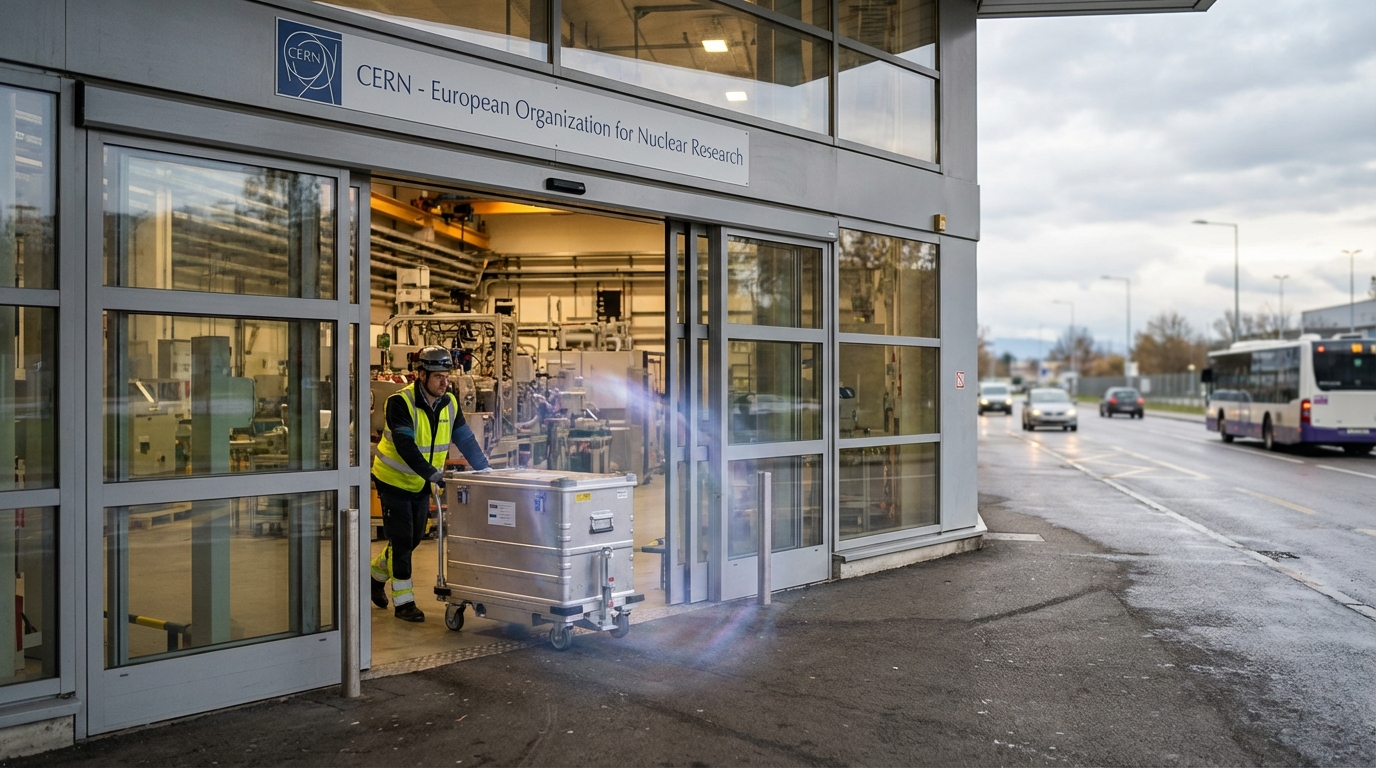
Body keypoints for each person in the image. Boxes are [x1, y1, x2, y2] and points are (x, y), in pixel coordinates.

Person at [371, 345, 489, 622]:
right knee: (402, 541)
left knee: (412, 540)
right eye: (438, 376)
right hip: (394, 480)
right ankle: (404, 603)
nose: (444, 382)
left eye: (447, 376)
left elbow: (465, 439)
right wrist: (432, 473)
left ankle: (375, 576)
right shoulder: (400, 403)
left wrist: (486, 470)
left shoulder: (449, 402)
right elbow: (405, 444)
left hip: (422, 482)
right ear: (421, 375)